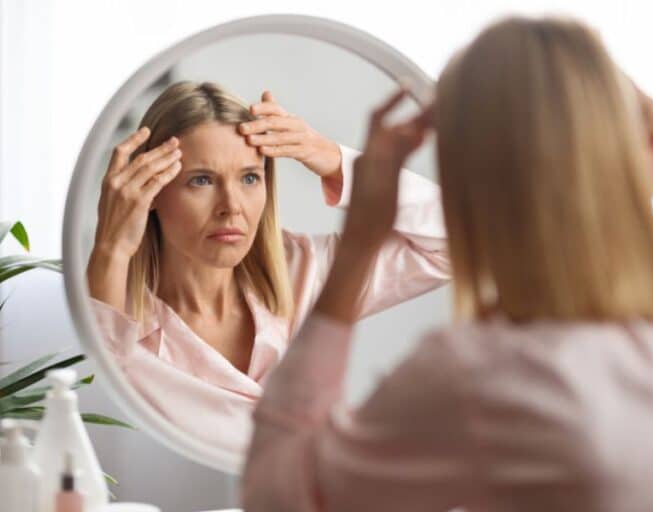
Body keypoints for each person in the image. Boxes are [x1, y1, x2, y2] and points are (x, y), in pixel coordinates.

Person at [243, 16, 653, 511]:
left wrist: (359, 245)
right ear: (625, 136)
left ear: (467, 181)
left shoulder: (490, 379)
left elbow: (282, 497)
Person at [86, 81, 449, 452]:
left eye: (249, 177)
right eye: (202, 180)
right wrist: (111, 250)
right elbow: (95, 425)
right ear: (150, 190)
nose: (232, 206)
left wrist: (331, 158)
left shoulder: (304, 272)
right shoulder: (115, 311)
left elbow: (456, 239)